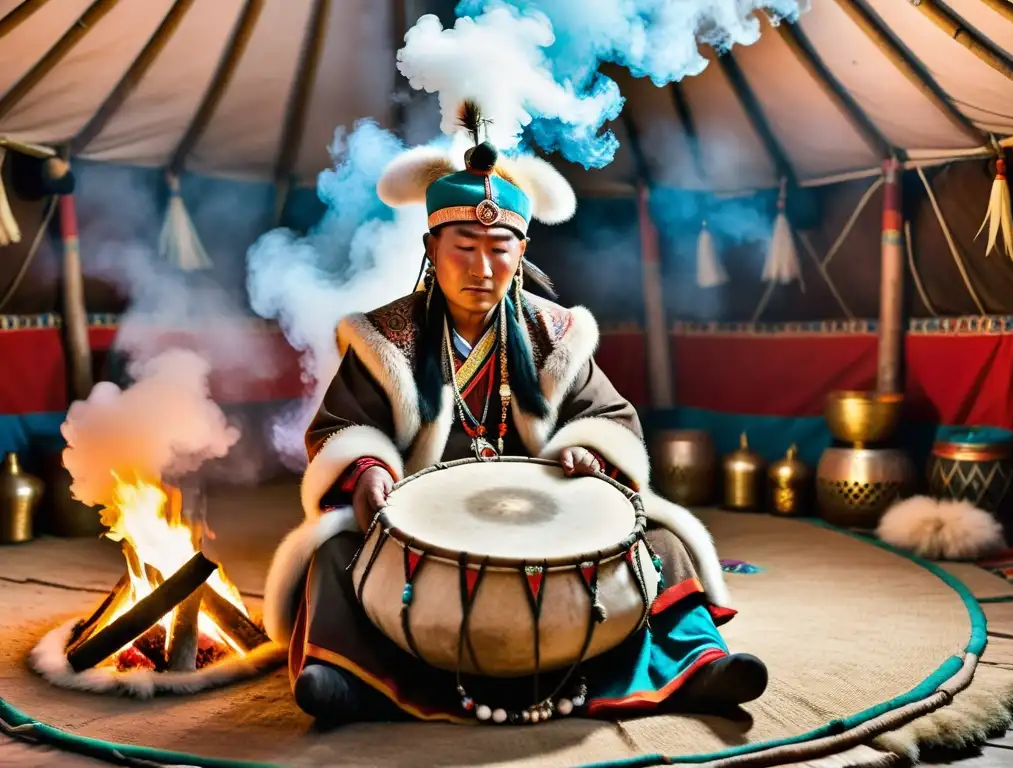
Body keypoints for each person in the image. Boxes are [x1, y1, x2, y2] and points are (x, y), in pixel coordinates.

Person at [263, 103, 768, 726]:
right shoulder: (387, 338)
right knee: (333, 554)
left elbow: (611, 420)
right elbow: (340, 429)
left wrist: (587, 453)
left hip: (545, 527)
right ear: (431, 246)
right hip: (428, 531)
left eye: (499, 249)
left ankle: (697, 665)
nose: (481, 268)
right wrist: (365, 468)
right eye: (463, 247)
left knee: (660, 536)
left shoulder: (554, 335)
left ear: (522, 249)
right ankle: (345, 677)